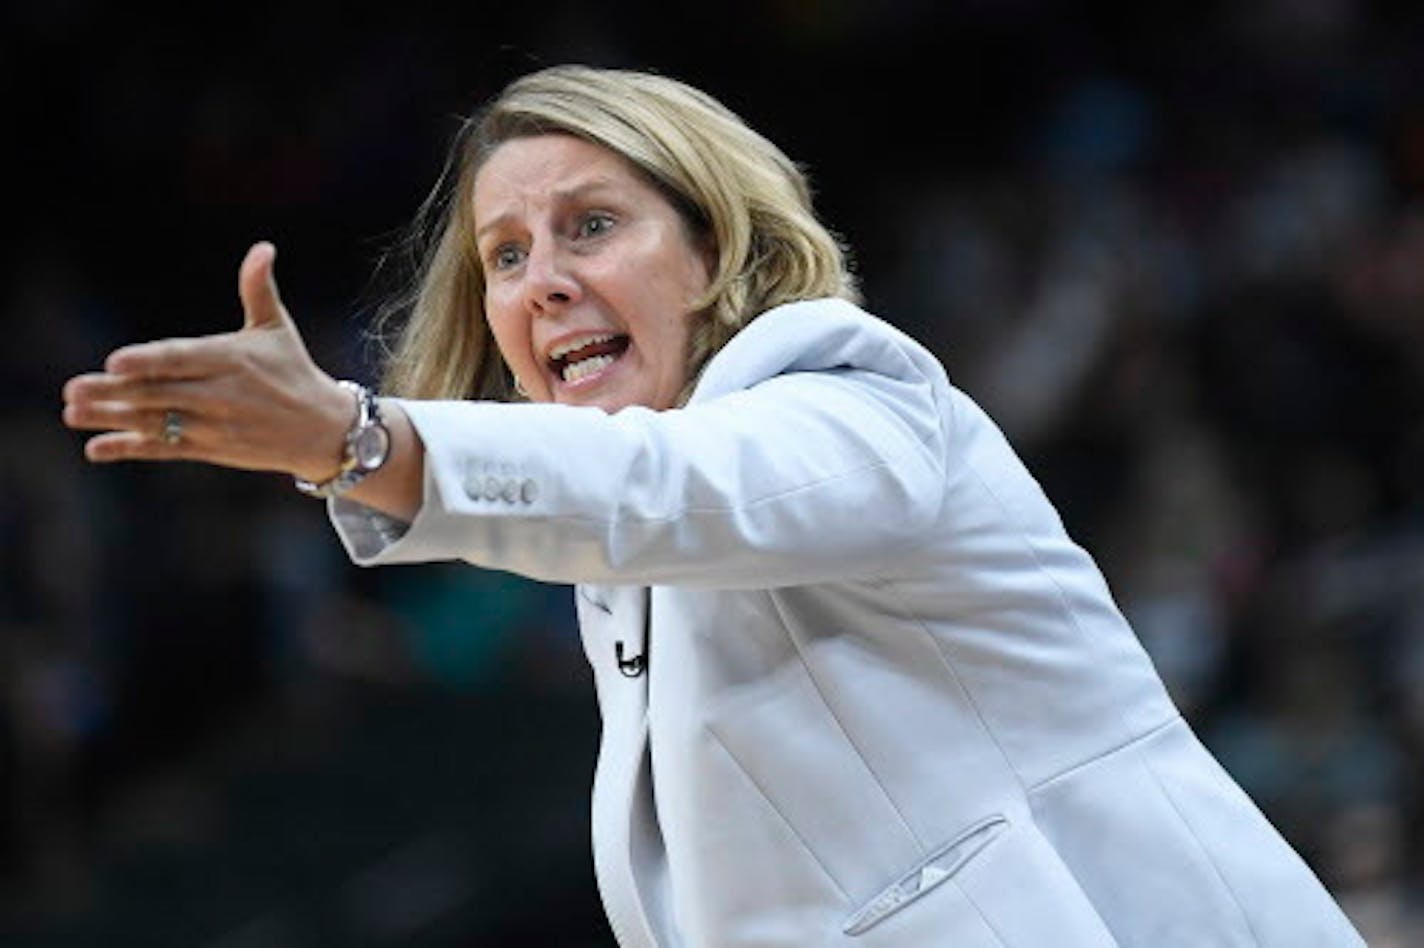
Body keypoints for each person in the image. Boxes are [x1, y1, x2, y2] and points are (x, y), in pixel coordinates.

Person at [62, 64, 1363, 946]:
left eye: (592, 226)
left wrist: (355, 439)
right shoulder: (620, 581)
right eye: (506, 256)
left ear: (715, 248)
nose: (543, 282)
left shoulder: (856, 398)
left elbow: (672, 491)